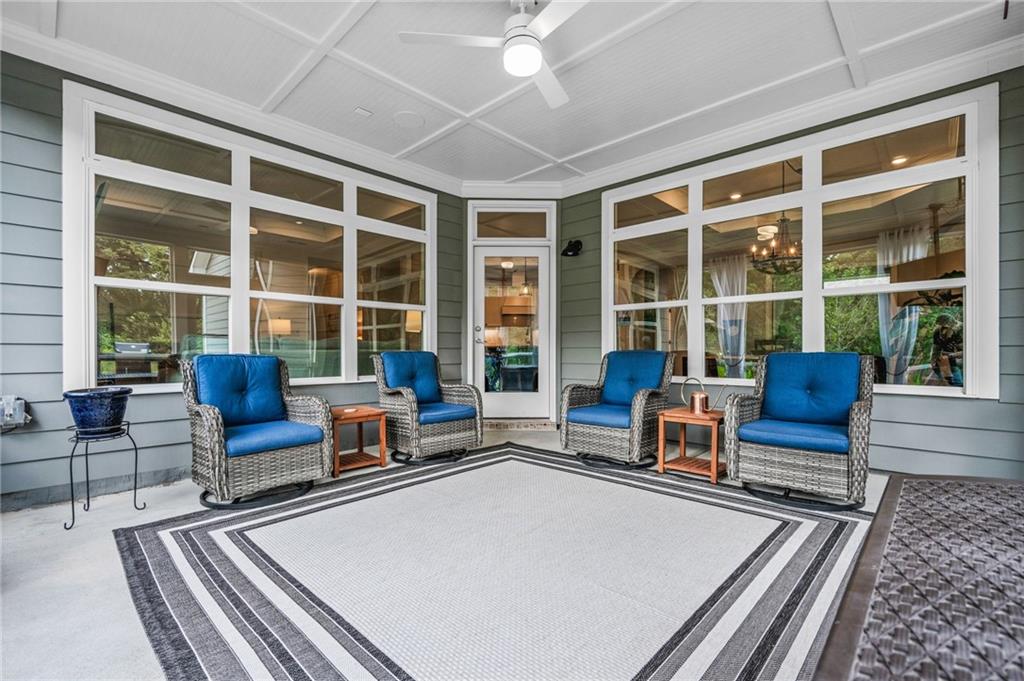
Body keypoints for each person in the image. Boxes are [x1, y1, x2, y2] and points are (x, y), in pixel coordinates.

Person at [930, 313, 963, 386]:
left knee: (958, 382)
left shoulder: (961, 330)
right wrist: (933, 359)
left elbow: (967, 352)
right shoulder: (937, 332)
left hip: (960, 360)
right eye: (941, 326)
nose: (943, 329)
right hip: (946, 361)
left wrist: (951, 355)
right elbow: (936, 348)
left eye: (946, 327)